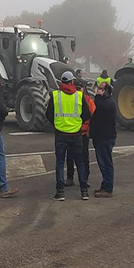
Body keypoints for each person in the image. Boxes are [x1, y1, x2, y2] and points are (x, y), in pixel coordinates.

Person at [47, 70, 92, 201]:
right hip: (76, 134)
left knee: (60, 163)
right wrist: (77, 123)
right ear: (72, 81)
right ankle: (84, 192)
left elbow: (49, 114)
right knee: (80, 163)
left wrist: (57, 123)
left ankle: (60, 192)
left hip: (61, 134)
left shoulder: (55, 95)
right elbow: (87, 114)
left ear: (61, 82)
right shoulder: (79, 96)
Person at [65, 78, 95, 187]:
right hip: (78, 132)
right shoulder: (87, 100)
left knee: (75, 156)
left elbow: (93, 116)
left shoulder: (86, 100)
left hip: (75, 132)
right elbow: (93, 115)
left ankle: (74, 178)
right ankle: (81, 178)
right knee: (81, 157)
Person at [90, 82, 117, 197]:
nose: (97, 90)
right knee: (103, 163)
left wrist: (97, 97)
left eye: (100, 89)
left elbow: (100, 108)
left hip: (105, 137)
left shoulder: (108, 103)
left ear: (105, 91)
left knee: (106, 163)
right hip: (101, 136)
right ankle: (104, 186)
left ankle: (108, 188)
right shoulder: (106, 102)